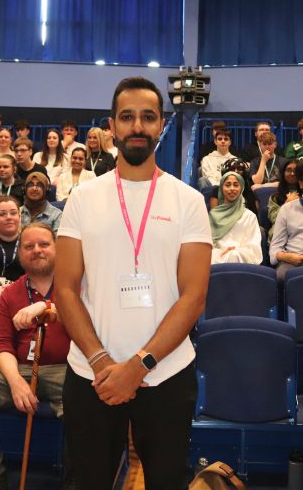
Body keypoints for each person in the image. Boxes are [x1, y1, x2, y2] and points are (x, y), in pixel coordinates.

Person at [55, 76, 212, 489]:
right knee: (86, 481)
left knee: (166, 481)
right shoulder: (83, 198)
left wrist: (139, 365)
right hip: (91, 372)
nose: (137, 126)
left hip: (166, 372)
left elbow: (194, 297)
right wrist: (103, 362)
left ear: (161, 125)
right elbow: (65, 289)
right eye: (127, 117)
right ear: (112, 126)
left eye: (148, 117)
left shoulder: (188, 201)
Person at [0, 223, 70, 490]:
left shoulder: (74, 285)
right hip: (20, 367)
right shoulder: (11, 293)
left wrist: (44, 305)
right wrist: (16, 382)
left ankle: (77, 477)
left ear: (57, 249)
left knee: (83, 399)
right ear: (20, 255)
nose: (37, 251)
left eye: (44, 244)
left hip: (66, 369)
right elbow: (2, 345)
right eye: (29, 246)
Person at [209, 172, 262, 264]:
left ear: (241, 188)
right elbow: (207, 244)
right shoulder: (213, 215)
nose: (232, 188)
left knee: (233, 255)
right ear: (221, 188)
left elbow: (254, 245)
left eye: (236, 185)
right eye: (228, 185)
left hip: (241, 255)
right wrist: (222, 251)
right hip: (217, 255)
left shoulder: (249, 216)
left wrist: (236, 249)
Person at [267, 159, 299, 239]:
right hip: (281, 228)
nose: (292, 173)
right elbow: (274, 218)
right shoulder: (275, 196)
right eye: (288, 170)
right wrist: (286, 204)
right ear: (283, 173)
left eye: (295, 171)